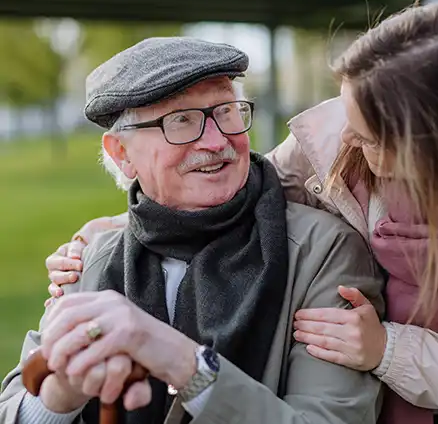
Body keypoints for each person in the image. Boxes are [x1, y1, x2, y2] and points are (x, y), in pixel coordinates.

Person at [44, 2, 438, 424]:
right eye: (350, 121)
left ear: (437, 155)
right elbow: (231, 185)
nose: (349, 143)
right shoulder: (348, 131)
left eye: (368, 138)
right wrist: (120, 233)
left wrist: (386, 349)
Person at [0, 37, 385, 424]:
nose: (217, 141)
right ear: (122, 153)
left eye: (226, 111)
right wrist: (59, 395)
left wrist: (182, 363)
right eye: (181, 121)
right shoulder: (87, 261)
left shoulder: (322, 251)